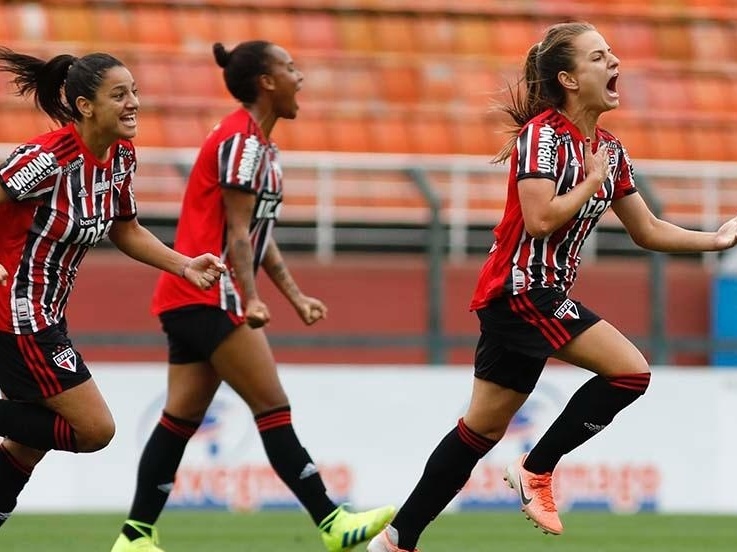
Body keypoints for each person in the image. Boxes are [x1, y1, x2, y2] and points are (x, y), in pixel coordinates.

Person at [368, 21, 737, 552]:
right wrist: (589, 182)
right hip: (524, 291)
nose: (614, 63)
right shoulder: (541, 136)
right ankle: (537, 470)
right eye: (598, 57)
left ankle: (396, 541)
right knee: (631, 373)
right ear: (567, 78)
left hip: (521, 297)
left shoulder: (609, 149)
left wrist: (717, 240)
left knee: (481, 429)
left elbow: (648, 230)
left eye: (612, 54)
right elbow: (539, 220)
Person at [110, 40, 395, 552]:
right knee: (273, 405)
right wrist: (250, 298)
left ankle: (135, 536)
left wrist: (294, 294)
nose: (299, 76)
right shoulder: (242, 143)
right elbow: (238, 235)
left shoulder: (258, 145)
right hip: (207, 292)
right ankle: (332, 523)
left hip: (189, 294)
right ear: (266, 81)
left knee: (179, 419)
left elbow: (258, 235)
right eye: (290, 67)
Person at [0, 48, 227, 529]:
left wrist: (183, 265)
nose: (133, 104)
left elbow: (124, 229)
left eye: (135, 92)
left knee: (30, 440)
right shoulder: (47, 159)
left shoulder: (120, 157)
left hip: (45, 315)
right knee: (93, 429)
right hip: (17, 315)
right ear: (85, 105)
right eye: (119, 94)